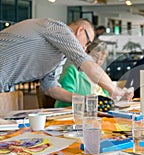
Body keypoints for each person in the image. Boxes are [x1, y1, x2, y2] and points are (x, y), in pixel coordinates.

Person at [0, 18, 130, 102]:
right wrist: (114, 90)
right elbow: (87, 63)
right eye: (87, 43)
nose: (85, 49)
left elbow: (50, 88)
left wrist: (84, 100)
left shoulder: (59, 55)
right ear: (80, 31)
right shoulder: (61, 29)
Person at [55, 40, 109, 108]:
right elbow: (64, 98)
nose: (98, 61)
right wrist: (85, 100)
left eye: (101, 59)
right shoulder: (73, 71)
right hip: (72, 113)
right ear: (86, 53)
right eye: (95, 56)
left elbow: (108, 97)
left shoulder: (101, 76)